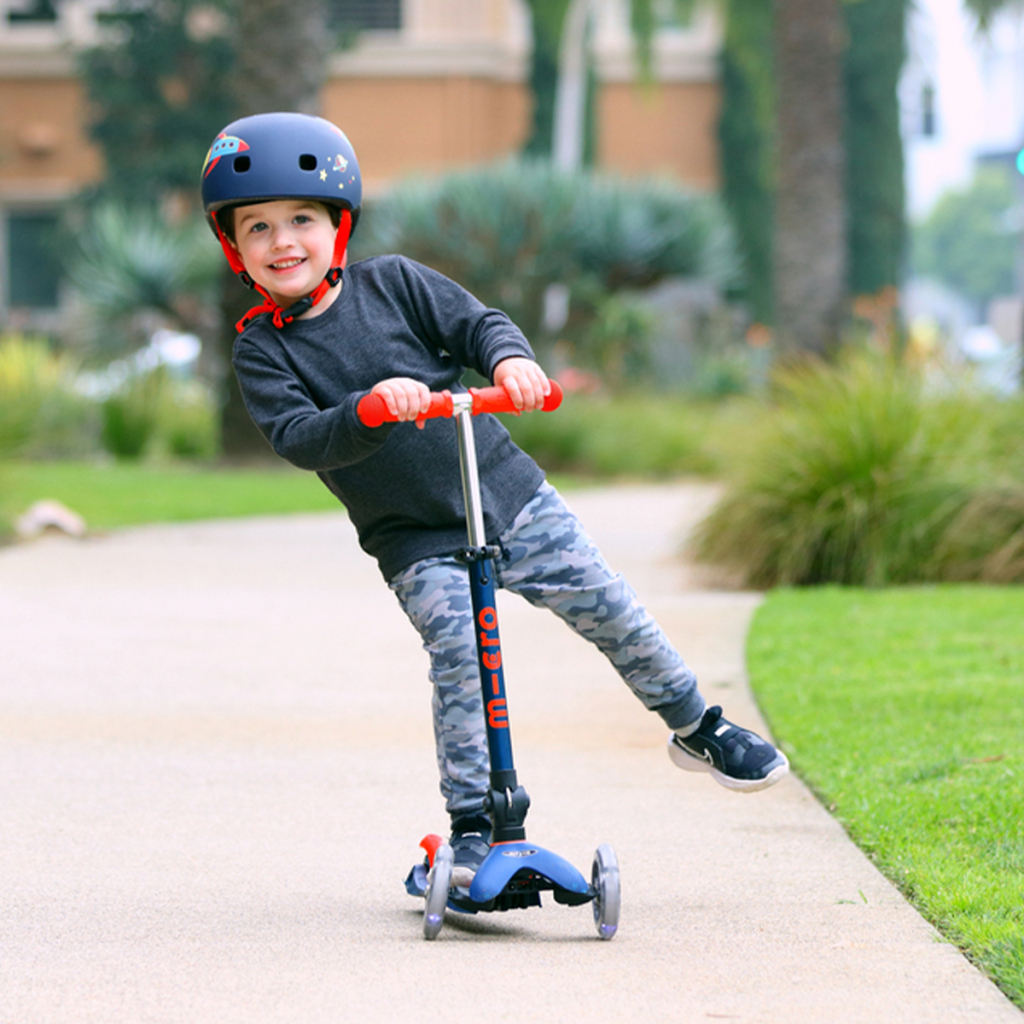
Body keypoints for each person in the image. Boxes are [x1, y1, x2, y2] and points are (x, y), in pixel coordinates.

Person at [201, 112, 788, 875]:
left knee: (608, 605)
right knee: (460, 659)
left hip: (509, 495)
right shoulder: (263, 347)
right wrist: (368, 410)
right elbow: (300, 437)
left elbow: (480, 326)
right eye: (259, 228)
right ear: (234, 246)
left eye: (301, 220)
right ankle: (475, 822)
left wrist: (510, 364)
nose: (283, 242)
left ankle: (697, 724)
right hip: (414, 538)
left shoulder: (396, 284)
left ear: (338, 226)